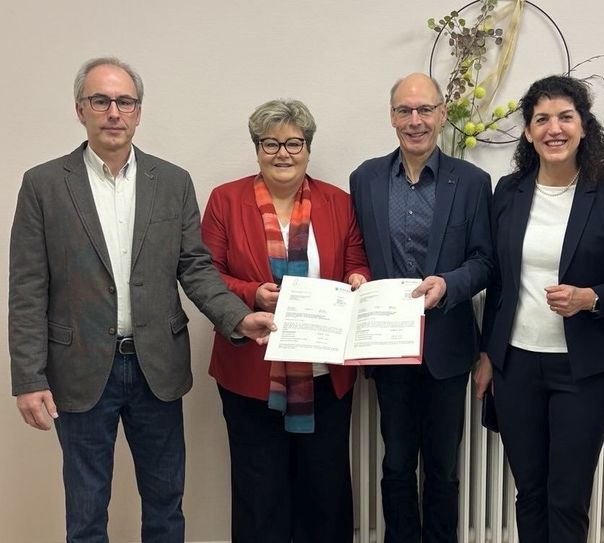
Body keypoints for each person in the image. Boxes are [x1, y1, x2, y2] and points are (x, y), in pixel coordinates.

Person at [8, 57, 275, 542]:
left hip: (156, 368)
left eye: (125, 102)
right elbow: (27, 288)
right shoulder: (43, 185)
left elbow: (195, 267)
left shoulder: (171, 182)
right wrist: (29, 378)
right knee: (86, 513)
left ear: (138, 112)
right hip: (80, 368)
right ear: (80, 110)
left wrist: (238, 318)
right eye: (101, 101)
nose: (114, 112)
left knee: (166, 506)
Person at [476, 75, 604, 543]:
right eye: (542, 119)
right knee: (529, 492)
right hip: (515, 365)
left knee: (567, 498)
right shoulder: (508, 191)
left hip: (584, 370)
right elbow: (498, 281)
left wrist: (593, 298)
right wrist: (488, 353)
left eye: (566, 117)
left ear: (584, 126)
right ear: (528, 132)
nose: (554, 129)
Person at [200, 99, 370, 543]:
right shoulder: (225, 200)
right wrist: (251, 293)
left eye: (294, 143)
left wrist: (357, 278)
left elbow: (356, 260)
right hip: (251, 374)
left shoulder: (338, 202)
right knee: (261, 497)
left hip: (324, 373)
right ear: (257, 149)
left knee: (325, 494)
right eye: (270, 143)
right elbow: (205, 273)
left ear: (308, 149)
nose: (283, 153)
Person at [349, 72, 493, 543]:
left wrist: (448, 284)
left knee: (443, 467)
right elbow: (357, 251)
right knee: (395, 464)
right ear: (392, 117)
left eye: (425, 110)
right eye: (405, 110)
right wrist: (357, 277)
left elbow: (485, 261)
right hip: (388, 349)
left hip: (447, 347)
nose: (415, 120)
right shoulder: (365, 178)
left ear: (442, 114)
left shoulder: (472, 182)